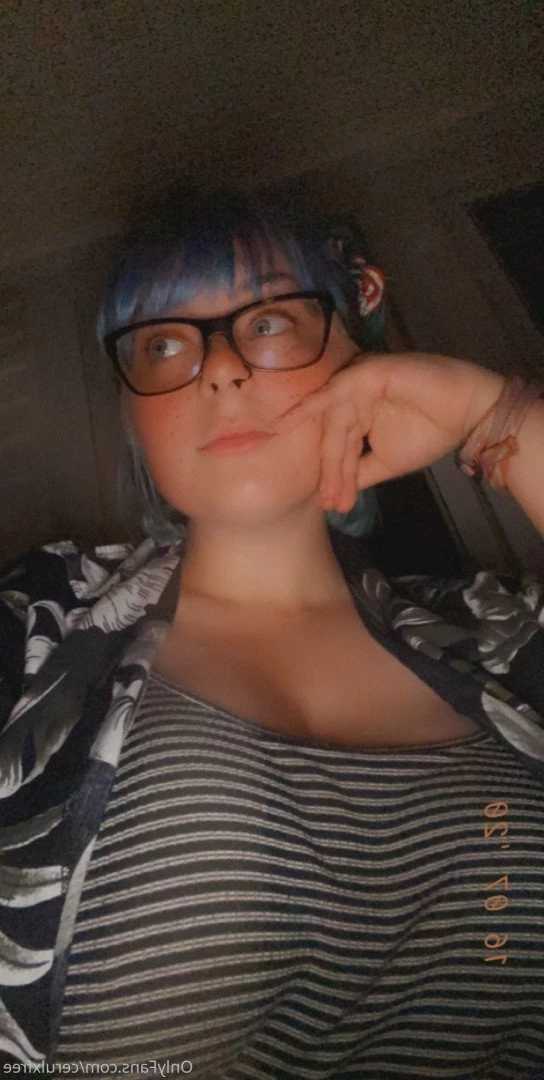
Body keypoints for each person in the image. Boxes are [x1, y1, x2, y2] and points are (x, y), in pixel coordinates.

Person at [1, 179, 544, 1078]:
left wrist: (500, 416)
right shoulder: (36, 622)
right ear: (136, 419)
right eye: (164, 343)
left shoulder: (497, 636)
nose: (220, 368)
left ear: (357, 353)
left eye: (270, 321)